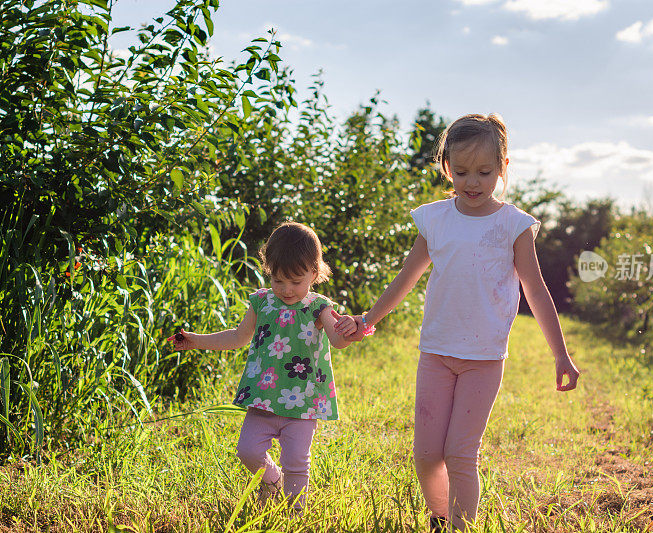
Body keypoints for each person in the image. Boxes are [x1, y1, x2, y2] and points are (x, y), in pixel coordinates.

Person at [337, 113, 580, 531]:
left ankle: (460, 528)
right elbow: (406, 278)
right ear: (446, 166)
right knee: (428, 454)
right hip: (436, 353)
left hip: (483, 359)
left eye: (484, 172)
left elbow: (536, 292)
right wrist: (368, 319)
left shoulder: (514, 226)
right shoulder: (435, 220)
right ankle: (440, 517)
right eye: (462, 171)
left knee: (461, 453)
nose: (472, 182)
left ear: (503, 167)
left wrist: (561, 355)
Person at [168, 222, 358, 513]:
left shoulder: (319, 306)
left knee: (296, 460)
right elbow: (237, 337)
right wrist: (196, 341)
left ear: (314, 273)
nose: (286, 289)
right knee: (247, 451)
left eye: (295, 282)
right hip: (263, 397)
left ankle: (295, 513)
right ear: (269, 270)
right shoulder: (262, 302)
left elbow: (337, 341)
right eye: (278, 280)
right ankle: (272, 479)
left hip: (303, 401)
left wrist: (348, 328)